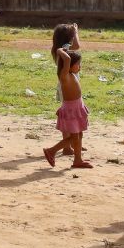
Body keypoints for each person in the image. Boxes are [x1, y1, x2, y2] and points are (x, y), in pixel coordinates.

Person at [43, 49, 91, 169]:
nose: (80, 67)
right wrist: (59, 50)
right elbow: (68, 59)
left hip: (77, 107)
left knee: (79, 135)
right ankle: (51, 151)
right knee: (74, 137)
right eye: (78, 64)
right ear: (69, 65)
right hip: (71, 111)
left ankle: (78, 160)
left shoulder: (72, 75)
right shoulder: (64, 76)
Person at [46, 23, 81, 160]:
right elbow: (77, 46)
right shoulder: (65, 49)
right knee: (69, 115)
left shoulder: (58, 49)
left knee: (69, 114)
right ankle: (68, 146)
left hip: (66, 84)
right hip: (67, 85)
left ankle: (73, 142)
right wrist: (77, 32)